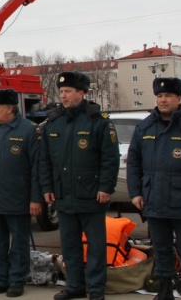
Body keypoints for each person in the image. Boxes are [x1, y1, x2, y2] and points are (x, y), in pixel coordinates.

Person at [127, 78, 181, 300]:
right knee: (162, 248)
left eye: (168, 96)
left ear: (179, 99)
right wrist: (135, 192)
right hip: (154, 200)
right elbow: (134, 162)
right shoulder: (145, 127)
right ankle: (165, 290)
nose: (163, 100)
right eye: (159, 96)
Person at [39, 72, 120, 300]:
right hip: (63, 195)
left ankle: (96, 289)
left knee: (95, 246)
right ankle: (75, 286)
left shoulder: (98, 121)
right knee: (70, 245)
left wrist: (106, 187)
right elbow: (44, 160)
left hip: (92, 195)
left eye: (68, 92)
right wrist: (47, 187)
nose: (63, 96)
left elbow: (110, 158)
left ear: (82, 93)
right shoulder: (53, 122)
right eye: (61, 92)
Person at [0, 89, 43, 297]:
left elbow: (37, 168)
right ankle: (2, 279)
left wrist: (36, 199)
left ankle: (17, 280)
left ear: (10, 109)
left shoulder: (29, 131)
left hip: (18, 198)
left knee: (18, 243)